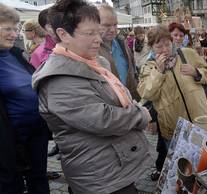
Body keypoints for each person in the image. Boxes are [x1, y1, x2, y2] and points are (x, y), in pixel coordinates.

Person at [31, 0, 152, 193]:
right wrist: (140, 115)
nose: (98, 38)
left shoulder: (94, 62)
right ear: (63, 34)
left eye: (98, 31)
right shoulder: (58, 78)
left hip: (114, 165)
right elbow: (103, 119)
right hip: (99, 176)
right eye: (89, 33)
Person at [137, 24, 207, 181]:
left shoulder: (187, 54)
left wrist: (196, 72)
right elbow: (147, 93)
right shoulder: (148, 67)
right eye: (159, 46)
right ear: (152, 47)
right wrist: (158, 72)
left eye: (167, 44)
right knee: (183, 172)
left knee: (206, 167)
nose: (165, 49)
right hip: (173, 129)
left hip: (200, 123)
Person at [0, 4, 50, 193]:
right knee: (10, 185)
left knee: (39, 179)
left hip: (36, 131)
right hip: (9, 139)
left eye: (16, 28)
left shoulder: (15, 54)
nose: (14, 34)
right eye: (8, 29)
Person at [98, 4, 140, 101]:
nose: (113, 30)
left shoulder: (121, 42)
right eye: (107, 25)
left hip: (132, 99)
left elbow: (132, 68)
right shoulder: (91, 49)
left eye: (115, 24)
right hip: (113, 104)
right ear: (96, 24)